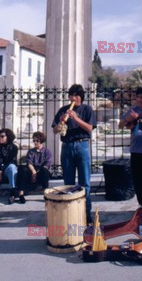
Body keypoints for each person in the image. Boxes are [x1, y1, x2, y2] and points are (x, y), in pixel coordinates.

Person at [52, 84, 96, 223]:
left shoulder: (87, 109)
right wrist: (61, 123)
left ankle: (86, 214)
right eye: (71, 95)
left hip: (82, 145)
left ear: (81, 97)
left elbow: (89, 128)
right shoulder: (63, 110)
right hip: (67, 146)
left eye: (76, 96)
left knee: (84, 182)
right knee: (68, 182)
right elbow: (54, 130)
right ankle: (70, 214)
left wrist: (76, 118)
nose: (73, 98)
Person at [17, 131, 52, 203]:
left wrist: (37, 173)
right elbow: (29, 162)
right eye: (34, 141)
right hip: (32, 171)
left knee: (45, 171)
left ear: (41, 141)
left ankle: (46, 193)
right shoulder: (31, 151)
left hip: (41, 173)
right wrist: (33, 172)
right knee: (22, 169)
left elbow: (48, 164)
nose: (35, 142)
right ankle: (21, 194)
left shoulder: (47, 151)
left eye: (37, 141)